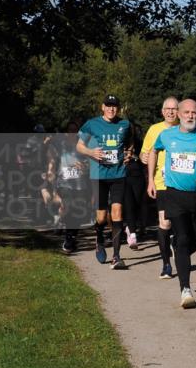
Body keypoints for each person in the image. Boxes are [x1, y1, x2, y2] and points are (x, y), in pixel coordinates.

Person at [147, 98, 196, 307]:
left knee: (195, 241)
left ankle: (180, 250)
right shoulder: (166, 135)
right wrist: (150, 180)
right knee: (182, 238)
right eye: (187, 112)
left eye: (195, 113)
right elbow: (153, 152)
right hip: (174, 194)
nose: (191, 116)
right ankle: (186, 290)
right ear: (179, 114)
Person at [77, 95, 132, 269]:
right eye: (108, 106)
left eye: (114, 106)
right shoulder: (91, 124)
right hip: (98, 175)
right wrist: (91, 152)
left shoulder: (125, 125)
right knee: (101, 217)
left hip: (118, 174)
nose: (111, 109)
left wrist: (129, 153)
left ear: (119, 108)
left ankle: (116, 256)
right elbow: (79, 146)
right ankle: (99, 239)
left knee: (117, 212)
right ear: (102, 107)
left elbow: (129, 142)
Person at [141, 97, 180, 278]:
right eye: (168, 109)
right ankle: (166, 264)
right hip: (161, 182)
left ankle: (176, 243)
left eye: (174, 109)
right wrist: (143, 158)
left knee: (180, 224)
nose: (171, 112)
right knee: (164, 223)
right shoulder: (154, 130)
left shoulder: (185, 128)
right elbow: (145, 152)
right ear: (162, 111)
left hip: (183, 183)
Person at [56, 120, 89, 254]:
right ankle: (68, 238)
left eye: (75, 130)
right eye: (70, 130)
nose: (72, 133)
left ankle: (73, 236)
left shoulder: (81, 146)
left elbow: (89, 164)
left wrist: (84, 166)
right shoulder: (60, 146)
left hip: (80, 184)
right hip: (64, 183)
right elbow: (52, 161)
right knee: (69, 206)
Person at [123, 123, 148, 249]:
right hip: (122, 176)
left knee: (137, 204)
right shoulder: (117, 142)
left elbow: (145, 160)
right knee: (129, 204)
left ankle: (129, 227)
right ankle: (132, 234)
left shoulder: (139, 143)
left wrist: (133, 156)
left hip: (138, 176)